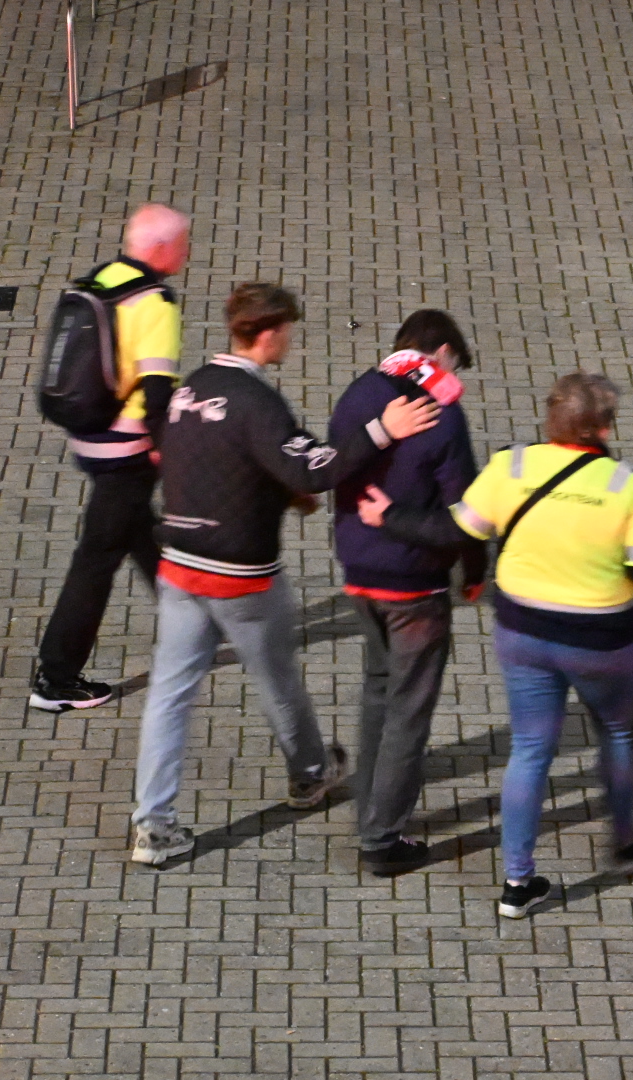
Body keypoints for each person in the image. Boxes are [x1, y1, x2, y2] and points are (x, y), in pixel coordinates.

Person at [360, 372, 633, 919]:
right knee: (617, 732)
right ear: (604, 426)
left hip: (522, 635)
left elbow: (455, 531)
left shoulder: (510, 467)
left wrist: (389, 517)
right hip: (601, 641)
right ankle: (625, 840)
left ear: (551, 421)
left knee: (530, 750)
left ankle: (518, 884)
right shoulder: (626, 486)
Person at [127, 283, 441, 868]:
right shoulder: (254, 400)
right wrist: (382, 429)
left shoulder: (191, 386)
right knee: (276, 679)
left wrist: (266, 489)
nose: (291, 341)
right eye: (290, 330)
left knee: (169, 696)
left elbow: (199, 458)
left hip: (179, 566)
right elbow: (314, 467)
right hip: (242, 576)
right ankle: (310, 774)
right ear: (270, 332)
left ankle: (153, 824)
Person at [329, 311, 489, 878]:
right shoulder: (442, 415)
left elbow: (336, 462)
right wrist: (475, 572)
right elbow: (466, 515)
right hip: (413, 586)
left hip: (357, 572)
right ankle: (382, 837)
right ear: (441, 352)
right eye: (454, 363)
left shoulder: (359, 392)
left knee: (377, 691)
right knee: (408, 712)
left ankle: (368, 806)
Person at [31, 204, 190, 712]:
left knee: (140, 531)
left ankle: (192, 624)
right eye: (183, 243)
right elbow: (159, 388)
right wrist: (168, 444)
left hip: (89, 434)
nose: (186, 252)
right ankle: (56, 679)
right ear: (164, 249)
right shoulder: (155, 301)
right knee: (97, 558)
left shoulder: (99, 280)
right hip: (127, 449)